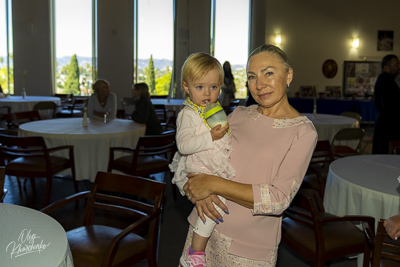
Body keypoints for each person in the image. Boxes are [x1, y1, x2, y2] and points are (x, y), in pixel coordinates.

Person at [181, 44, 318, 266]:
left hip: (247, 249)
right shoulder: (238, 114)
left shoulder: (302, 132)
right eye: (252, 76)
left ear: (289, 75)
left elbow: (278, 199)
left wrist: (211, 184)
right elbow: (202, 156)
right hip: (202, 230)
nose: (260, 84)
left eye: (269, 73)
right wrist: (197, 189)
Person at [169, 52, 233, 267]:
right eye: (200, 87)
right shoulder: (188, 114)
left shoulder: (213, 109)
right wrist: (211, 136)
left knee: (217, 201)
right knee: (217, 201)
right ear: (186, 87)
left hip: (212, 162)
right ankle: (195, 253)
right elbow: (183, 145)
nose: (208, 93)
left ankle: (199, 249)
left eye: (214, 87)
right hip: (196, 164)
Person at [372, 54, 400, 154]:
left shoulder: (388, 80)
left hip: (387, 125)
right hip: (387, 127)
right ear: (386, 67)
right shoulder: (385, 81)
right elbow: (389, 107)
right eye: (396, 64)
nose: (398, 67)